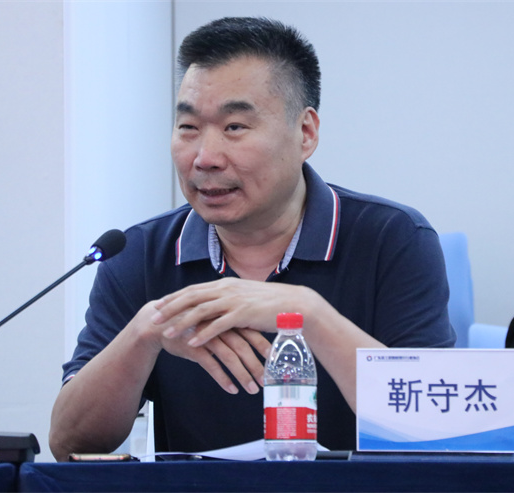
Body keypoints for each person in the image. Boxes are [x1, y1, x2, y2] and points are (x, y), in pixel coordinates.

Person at [49, 16, 455, 462]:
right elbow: (70, 446)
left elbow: (435, 428)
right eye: (188, 128)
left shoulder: (393, 239)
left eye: (235, 127)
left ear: (305, 133)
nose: (205, 157)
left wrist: (309, 314)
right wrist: (144, 334)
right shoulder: (139, 253)